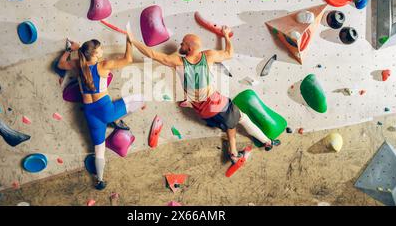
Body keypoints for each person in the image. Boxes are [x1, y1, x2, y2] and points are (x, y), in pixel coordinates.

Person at [127, 26, 280, 163]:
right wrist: (226, 36)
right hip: (214, 103)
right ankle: (245, 149)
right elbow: (229, 53)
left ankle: (251, 146)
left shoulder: (178, 62)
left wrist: (133, 41)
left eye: (182, 43)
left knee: (232, 122)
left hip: (202, 110)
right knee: (241, 119)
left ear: (190, 47)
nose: (180, 45)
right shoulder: (208, 56)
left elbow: (152, 54)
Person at [57, 36, 145, 190]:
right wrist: (129, 41)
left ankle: (100, 180)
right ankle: (116, 120)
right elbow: (128, 59)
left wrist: (70, 50)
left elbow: (61, 64)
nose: (103, 51)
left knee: (99, 149)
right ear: (95, 54)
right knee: (141, 99)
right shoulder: (103, 65)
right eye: (100, 50)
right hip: (107, 110)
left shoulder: (78, 65)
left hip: (90, 114)